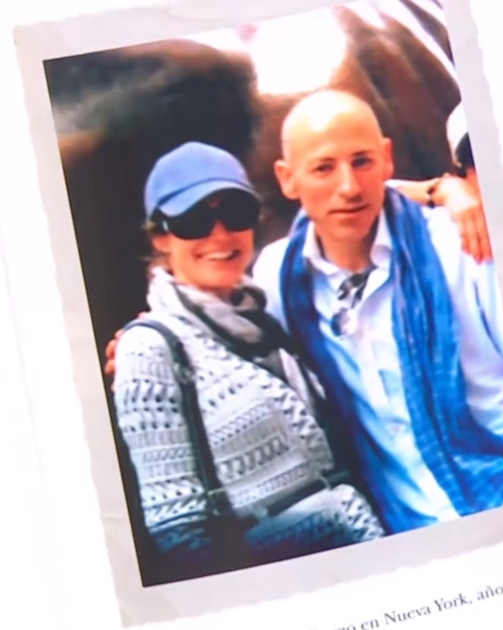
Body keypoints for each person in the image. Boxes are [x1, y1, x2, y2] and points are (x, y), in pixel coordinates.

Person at [251, 89, 503, 535]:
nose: (348, 186)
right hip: (402, 530)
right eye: (324, 168)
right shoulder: (278, 277)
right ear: (288, 179)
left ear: (386, 158)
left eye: (362, 161)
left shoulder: (461, 242)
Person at [112, 141, 385, 584]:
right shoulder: (149, 348)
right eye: (194, 220)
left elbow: (340, 215)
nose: (220, 235)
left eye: (236, 213)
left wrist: (443, 190)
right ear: (160, 237)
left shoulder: (271, 314)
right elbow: (177, 531)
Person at [390, 101, 492, 264]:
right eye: (478, 158)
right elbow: (374, 197)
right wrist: (445, 189)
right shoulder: (449, 237)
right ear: (462, 175)